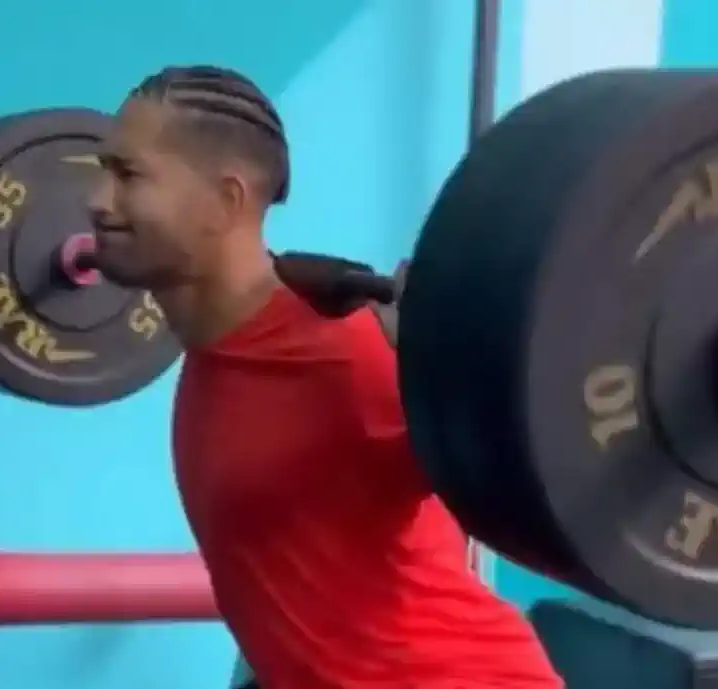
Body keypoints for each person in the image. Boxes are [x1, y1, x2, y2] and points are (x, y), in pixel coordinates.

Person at [87, 65, 563, 689]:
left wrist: (454, 366)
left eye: (128, 175)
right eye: (104, 170)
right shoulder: (220, 347)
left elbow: (533, 485)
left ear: (224, 201)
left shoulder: (343, 357)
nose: (97, 199)